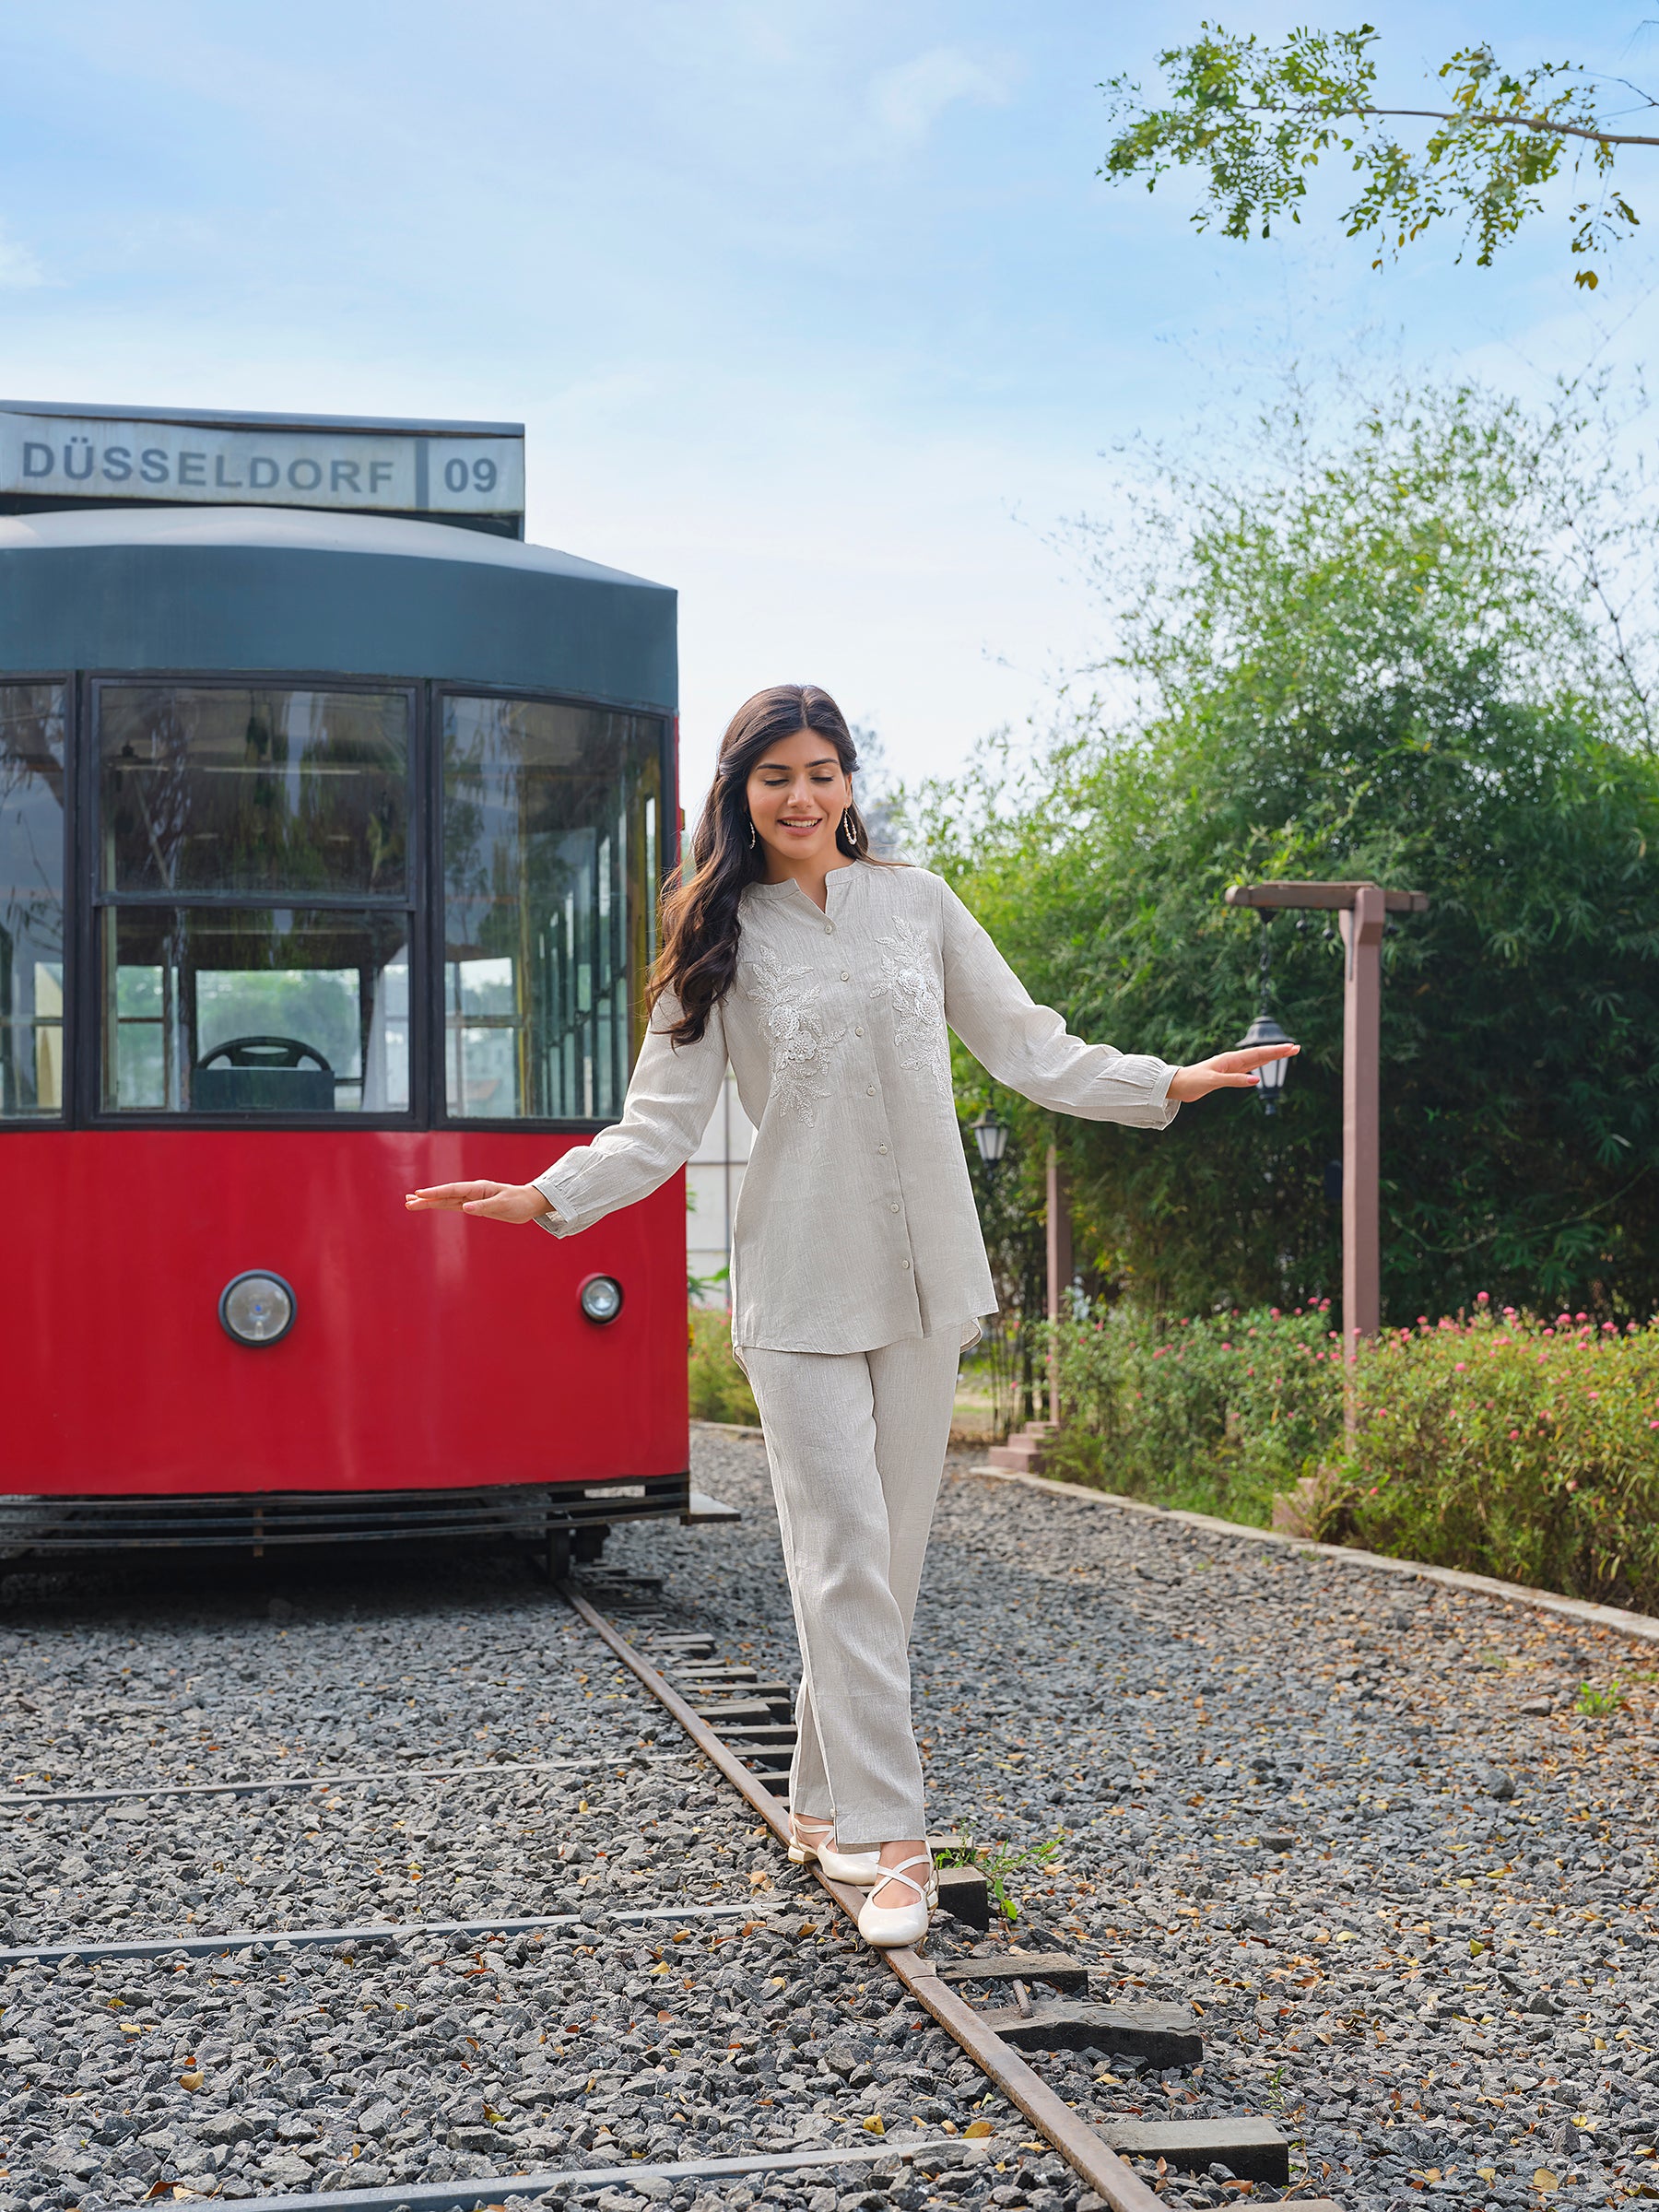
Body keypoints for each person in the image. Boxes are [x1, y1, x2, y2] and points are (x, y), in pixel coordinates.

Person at [406, 682, 1296, 1948]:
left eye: (823, 770)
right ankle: (895, 1842)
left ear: (849, 781)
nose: (804, 796)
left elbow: (1028, 1046)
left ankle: (821, 1798)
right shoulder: (719, 937)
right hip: (801, 1285)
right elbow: (659, 1125)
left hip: (930, 1279)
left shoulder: (919, 903)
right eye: (778, 776)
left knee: (887, 1568)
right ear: (742, 795)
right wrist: (548, 1193)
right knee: (837, 1557)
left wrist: (1166, 1080)